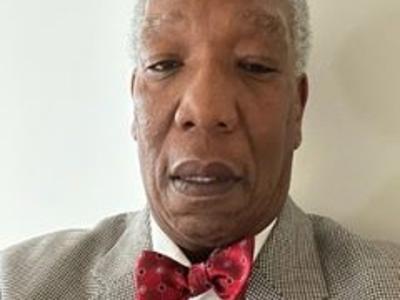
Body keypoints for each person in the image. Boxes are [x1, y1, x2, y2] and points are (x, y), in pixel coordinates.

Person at [1, 0, 399, 299]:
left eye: (255, 65)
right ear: (135, 103)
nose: (206, 111)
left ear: (297, 109)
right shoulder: (17, 284)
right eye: (165, 64)